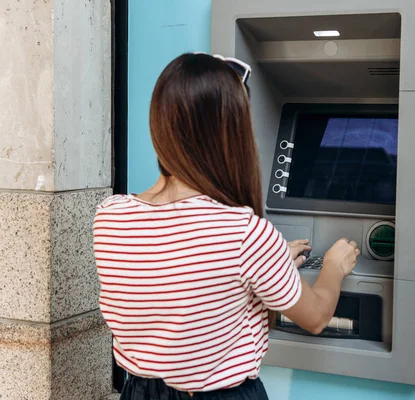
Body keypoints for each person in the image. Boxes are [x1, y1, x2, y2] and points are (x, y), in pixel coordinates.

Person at [93, 53, 360, 400]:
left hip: (140, 392)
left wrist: (274, 262)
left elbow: (188, 282)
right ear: (230, 132)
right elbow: (316, 317)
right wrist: (333, 269)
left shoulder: (110, 216)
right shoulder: (244, 233)